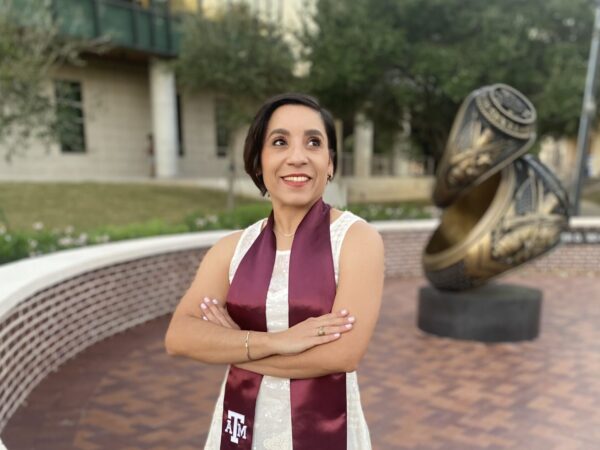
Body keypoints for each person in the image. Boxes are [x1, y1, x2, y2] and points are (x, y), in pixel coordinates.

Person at [164, 93, 384, 450]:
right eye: (280, 142)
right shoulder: (233, 249)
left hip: (329, 429)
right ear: (259, 162)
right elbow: (179, 337)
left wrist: (233, 346)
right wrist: (277, 341)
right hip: (240, 425)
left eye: (314, 142)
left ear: (330, 164)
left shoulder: (356, 240)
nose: (297, 157)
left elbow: (343, 355)